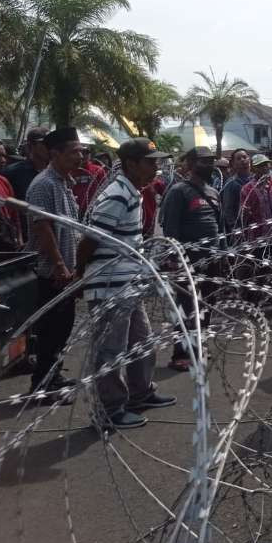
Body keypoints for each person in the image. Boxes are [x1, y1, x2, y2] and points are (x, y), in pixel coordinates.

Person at [76, 138, 176, 429]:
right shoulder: (117, 195)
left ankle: (140, 393)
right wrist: (79, 274)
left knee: (141, 341)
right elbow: (91, 239)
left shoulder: (132, 191)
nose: (156, 167)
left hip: (128, 284)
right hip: (110, 286)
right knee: (110, 350)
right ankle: (109, 410)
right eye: (150, 161)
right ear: (131, 164)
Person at [24, 127, 83, 399]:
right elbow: (42, 228)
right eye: (74, 152)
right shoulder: (43, 184)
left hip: (67, 272)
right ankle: (42, 386)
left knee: (62, 330)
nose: (79, 156)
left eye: (81, 151)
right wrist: (60, 265)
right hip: (51, 273)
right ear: (55, 153)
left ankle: (54, 376)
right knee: (49, 332)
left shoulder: (64, 182)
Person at [160, 146, 224, 371]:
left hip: (211, 260)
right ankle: (180, 354)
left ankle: (198, 346)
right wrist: (175, 258)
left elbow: (219, 227)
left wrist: (223, 253)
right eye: (203, 161)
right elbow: (170, 228)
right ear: (190, 164)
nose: (208, 165)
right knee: (187, 306)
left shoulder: (214, 192)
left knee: (206, 305)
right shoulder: (179, 191)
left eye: (210, 161)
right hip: (189, 261)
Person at [0, 140, 24, 254]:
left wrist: (19, 238)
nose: (3, 160)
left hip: (10, 244)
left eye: (4, 156)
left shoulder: (3, 181)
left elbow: (14, 214)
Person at [1, 127, 49, 201]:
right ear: (30, 146)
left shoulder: (55, 173)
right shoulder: (12, 173)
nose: (49, 147)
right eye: (45, 143)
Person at [220, 148, 252, 233]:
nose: (242, 160)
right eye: (238, 159)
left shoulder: (257, 179)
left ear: (249, 159)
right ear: (233, 164)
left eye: (244, 157)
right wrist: (235, 229)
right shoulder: (231, 184)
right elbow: (228, 210)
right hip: (241, 229)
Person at [70, 148, 108, 218]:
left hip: (91, 209)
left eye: (87, 153)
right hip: (72, 207)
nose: (84, 155)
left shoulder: (98, 170)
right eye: (82, 152)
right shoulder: (70, 169)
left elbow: (105, 188)